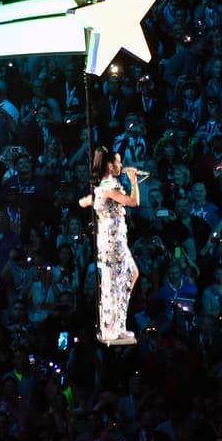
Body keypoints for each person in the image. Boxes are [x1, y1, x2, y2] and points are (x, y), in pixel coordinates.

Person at [78, 145, 141, 345]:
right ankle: (113, 328)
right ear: (109, 165)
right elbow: (134, 202)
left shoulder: (102, 188)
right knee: (115, 283)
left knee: (130, 275)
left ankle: (117, 325)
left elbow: (83, 202)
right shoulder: (110, 187)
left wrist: (92, 201)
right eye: (117, 162)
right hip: (113, 243)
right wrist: (133, 179)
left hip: (115, 240)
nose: (121, 165)